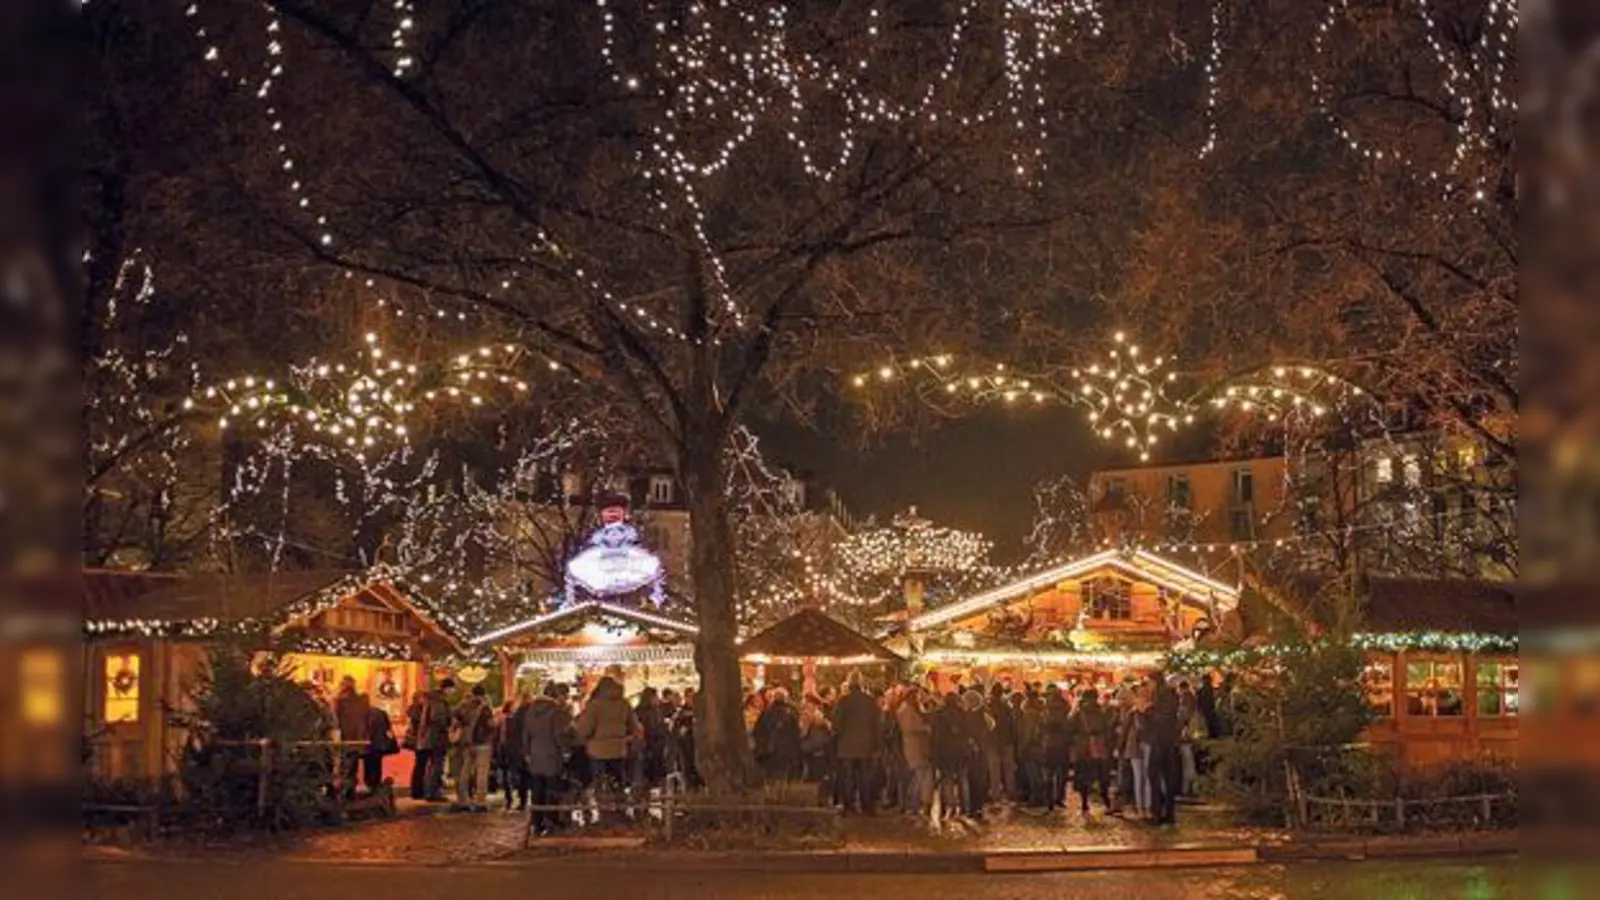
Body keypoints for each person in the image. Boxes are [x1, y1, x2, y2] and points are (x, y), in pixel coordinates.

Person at [575, 675, 639, 818]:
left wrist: (581, 738)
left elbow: (584, 730)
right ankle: (620, 811)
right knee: (618, 781)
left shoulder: (595, 705)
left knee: (600, 782)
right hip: (619, 748)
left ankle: (604, 813)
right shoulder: (624, 703)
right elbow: (634, 726)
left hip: (598, 750)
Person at [523, 682, 575, 837]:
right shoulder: (555, 711)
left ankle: (536, 822)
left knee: (537, 789)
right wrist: (565, 751)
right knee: (552, 788)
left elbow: (526, 734)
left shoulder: (531, 710)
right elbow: (558, 734)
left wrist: (527, 753)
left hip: (535, 754)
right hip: (552, 754)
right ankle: (551, 820)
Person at [831, 672, 881, 815]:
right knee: (866, 777)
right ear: (861, 683)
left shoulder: (843, 701)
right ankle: (867, 807)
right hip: (866, 746)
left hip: (846, 747)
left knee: (848, 778)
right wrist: (877, 745)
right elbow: (877, 725)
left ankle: (849, 806)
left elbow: (836, 723)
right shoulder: (870, 701)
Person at [1070, 687, 1113, 815]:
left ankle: (1084, 804)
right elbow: (1107, 729)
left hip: (1083, 748)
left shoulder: (1078, 712)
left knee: (1084, 777)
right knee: (1102, 777)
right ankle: (1107, 803)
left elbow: (1070, 727)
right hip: (1099, 748)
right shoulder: (1101, 711)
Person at [452, 684, 495, 811]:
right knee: (481, 772)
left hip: (467, 742)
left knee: (465, 771)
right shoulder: (485, 708)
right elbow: (490, 725)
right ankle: (480, 801)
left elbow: (455, 719)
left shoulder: (464, 705)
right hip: (482, 743)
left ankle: (463, 799)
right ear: (483, 694)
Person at [1147, 673, 1182, 826]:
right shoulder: (1168, 694)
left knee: (1155, 775)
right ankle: (1167, 812)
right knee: (1166, 777)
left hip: (1161, 740)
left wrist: (1147, 711)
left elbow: (1161, 717)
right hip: (1167, 740)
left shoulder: (1162, 695)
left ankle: (1158, 812)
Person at [895, 684, 934, 820]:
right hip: (915, 747)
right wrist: (926, 728)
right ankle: (914, 804)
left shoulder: (912, 709)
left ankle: (915, 804)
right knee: (919, 775)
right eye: (917, 696)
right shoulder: (906, 710)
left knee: (920, 775)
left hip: (918, 747)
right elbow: (911, 727)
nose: (919, 698)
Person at [752, 686, 803, 782]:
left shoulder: (766, 712)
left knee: (771, 776)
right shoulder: (791, 712)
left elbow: (757, 730)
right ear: (786, 698)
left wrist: (762, 744)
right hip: (787, 751)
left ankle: (770, 792)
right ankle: (782, 792)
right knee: (784, 776)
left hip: (769, 750)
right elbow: (796, 732)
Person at [416, 678, 455, 802]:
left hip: (428, 737)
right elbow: (437, 718)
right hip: (436, 738)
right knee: (437, 765)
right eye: (451, 689)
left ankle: (429, 790)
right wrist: (448, 724)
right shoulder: (438, 700)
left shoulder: (431, 699)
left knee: (433, 765)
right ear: (447, 688)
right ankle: (432, 792)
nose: (452, 692)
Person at [332, 676, 370, 799]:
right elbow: (366, 719)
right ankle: (350, 792)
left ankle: (342, 794)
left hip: (343, 739)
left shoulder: (339, 701)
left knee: (342, 768)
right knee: (352, 767)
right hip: (358, 740)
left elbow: (334, 721)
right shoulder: (361, 701)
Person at [497, 694, 533, 810]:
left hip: (513, 750)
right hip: (524, 750)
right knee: (524, 776)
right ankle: (522, 800)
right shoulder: (531, 715)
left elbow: (506, 736)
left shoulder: (516, 716)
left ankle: (513, 800)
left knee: (515, 775)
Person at [1040, 685, 1072, 811]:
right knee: (1061, 774)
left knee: (1049, 773)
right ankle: (1059, 798)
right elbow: (1069, 726)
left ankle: (1049, 800)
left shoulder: (1045, 708)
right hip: (1062, 744)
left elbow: (1042, 726)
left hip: (1049, 744)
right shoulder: (1065, 707)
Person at [986, 683, 1018, 805]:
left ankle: (996, 795)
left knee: (995, 771)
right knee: (1008, 770)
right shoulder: (1007, 707)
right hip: (1006, 742)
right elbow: (1012, 726)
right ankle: (1010, 793)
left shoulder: (989, 707)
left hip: (992, 743)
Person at [634, 687, 668, 793]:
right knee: (647, 769)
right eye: (655, 697)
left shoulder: (656, 710)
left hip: (656, 743)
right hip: (649, 742)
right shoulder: (644, 711)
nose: (657, 699)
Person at [362, 700, 397, 795]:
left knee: (368, 763)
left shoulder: (363, 713)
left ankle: (369, 783)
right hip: (380, 743)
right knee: (377, 763)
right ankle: (376, 783)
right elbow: (388, 728)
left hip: (368, 743)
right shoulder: (381, 712)